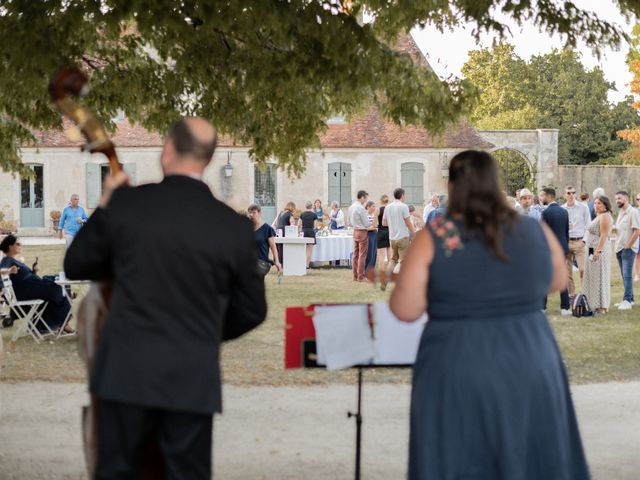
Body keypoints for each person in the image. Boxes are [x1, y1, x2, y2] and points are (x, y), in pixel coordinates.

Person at [64, 117, 267, 479]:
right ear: (207, 159)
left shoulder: (129, 206)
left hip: (125, 373)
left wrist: (108, 202)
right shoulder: (233, 227)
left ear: (167, 149)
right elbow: (252, 310)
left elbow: (77, 263)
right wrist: (203, 332)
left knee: (117, 471)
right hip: (190, 376)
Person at [389, 150, 589, 480]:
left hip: (458, 355)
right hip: (527, 351)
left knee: (460, 454)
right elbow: (556, 280)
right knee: (529, 454)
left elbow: (405, 309)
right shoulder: (529, 227)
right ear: (494, 183)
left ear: (452, 185)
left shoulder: (439, 234)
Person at [0, 235, 73, 333]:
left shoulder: (14, 260)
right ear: (10, 247)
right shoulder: (7, 260)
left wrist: (34, 271)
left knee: (60, 284)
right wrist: (9, 271)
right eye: (18, 244)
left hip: (32, 287)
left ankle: (43, 326)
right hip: (25, 291)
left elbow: (21, 277)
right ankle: (62, 324)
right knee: (58, 289)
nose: (21, 245)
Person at [540, 187, 571, 315]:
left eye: (542, 196)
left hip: (549, 250)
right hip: (563, 248)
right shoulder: (564, 212)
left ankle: (542, 307)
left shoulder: (546, 213)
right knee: (562, 277)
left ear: (549, 196)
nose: (541, 198)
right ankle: (565, 308)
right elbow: (566, 232)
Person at [582, 196, 613, 314]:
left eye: (599, 203)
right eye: (595, 203)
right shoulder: (598, 215)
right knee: (592, 275)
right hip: (590, 248)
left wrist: (598, 251)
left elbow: (604, 235)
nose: (596, 205)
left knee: (600, 275)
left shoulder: (605, 216)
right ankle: (592, 303)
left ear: (605, 205)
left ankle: (602, 306)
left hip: (599, 249)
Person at [562, 185, 591, 296]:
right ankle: (571, 295)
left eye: (573, 192)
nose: (571, 195)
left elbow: (589, 225)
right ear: (565, 195)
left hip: (579, 242)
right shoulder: (562, 208)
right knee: (567, 271)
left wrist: (584, 241)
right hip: (567, 242)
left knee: (583, 269)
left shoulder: (583, 207)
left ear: (576, 194)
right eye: (568, 193)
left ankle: (584, 294)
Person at [613, 191, 640, 310]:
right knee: (624, 276)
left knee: (627, 275)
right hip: (619, 248)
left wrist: (628, 246)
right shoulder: (620, 212)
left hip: (628, 249)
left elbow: (637, 231)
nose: (617, 200)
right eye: (616, 199)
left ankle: (627, 301)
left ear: (626, 199)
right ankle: (631, 299)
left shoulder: (633, 212)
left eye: (619, 198)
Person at [382, 188, 415, 279]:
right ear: (402, 196)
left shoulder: (387, 207)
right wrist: (414, 233)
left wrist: (393, 224)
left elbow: (383, 223)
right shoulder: (404, 206)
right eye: (404, 195)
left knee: (393, 259)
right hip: (403, 237)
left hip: (392, 237)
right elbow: (408, 223)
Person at [247, 204, 281, 275]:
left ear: (259, 213)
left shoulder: (267, 229)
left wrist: (277, 261)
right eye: (250, 212)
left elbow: (273, 246)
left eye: (254, 212)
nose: (251, 215)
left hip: (261, 263)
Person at [348, 190, 371, 282]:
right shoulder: (361, 208)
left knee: (355, 254)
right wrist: (371, 224)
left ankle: (355, 276)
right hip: (362, 231)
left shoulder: (351, 207)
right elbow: (366, 223)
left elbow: (348, 222)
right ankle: (361, 276)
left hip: (355, 231)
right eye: (365, 198)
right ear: (362, 197)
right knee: (362, 255)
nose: (366, 200)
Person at [275, 201, 296, 267]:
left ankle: (278, 262)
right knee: (283, 248)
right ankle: (282, 264)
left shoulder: (281, 213)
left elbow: (276, 223)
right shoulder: (290, 214)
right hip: (284, 231)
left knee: (278, 248)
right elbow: (292, 223)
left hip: (278, 231)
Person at [300, 201, 317, 270]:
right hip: (310, 232)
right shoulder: (314, 215)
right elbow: (315, 226)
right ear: (311, 206)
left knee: (303, 249)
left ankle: (302, 263)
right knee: (310, 250)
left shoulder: (302, 214)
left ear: (305, 206)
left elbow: (299, 224)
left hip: (304, 231)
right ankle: (307, 265)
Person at [376, 195, 390, 270]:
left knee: (381, 255)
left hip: (381, 231)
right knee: (390, 254)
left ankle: (382, 272)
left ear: (381, 201)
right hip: (389, 231)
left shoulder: (378, 209)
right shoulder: (390, 209)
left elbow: (375, 223)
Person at [364, 200, 378, 272]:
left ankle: (372, 269)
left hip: (375, 233)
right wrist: (373, 227)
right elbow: (365, 227)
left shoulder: (373, 215)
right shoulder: (365, 215)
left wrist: (374, 227)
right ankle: (367, 270)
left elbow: (376, 224)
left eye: (375, 206)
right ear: (368, 207)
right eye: (373, 206)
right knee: (369, 252)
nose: (374, 208)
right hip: (369, 234)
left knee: (374, 252)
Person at [635, 193, 640, 282]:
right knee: (638, 256)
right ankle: (636, 275)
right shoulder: (635, 211)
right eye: (638, 199)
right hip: (638, 236)